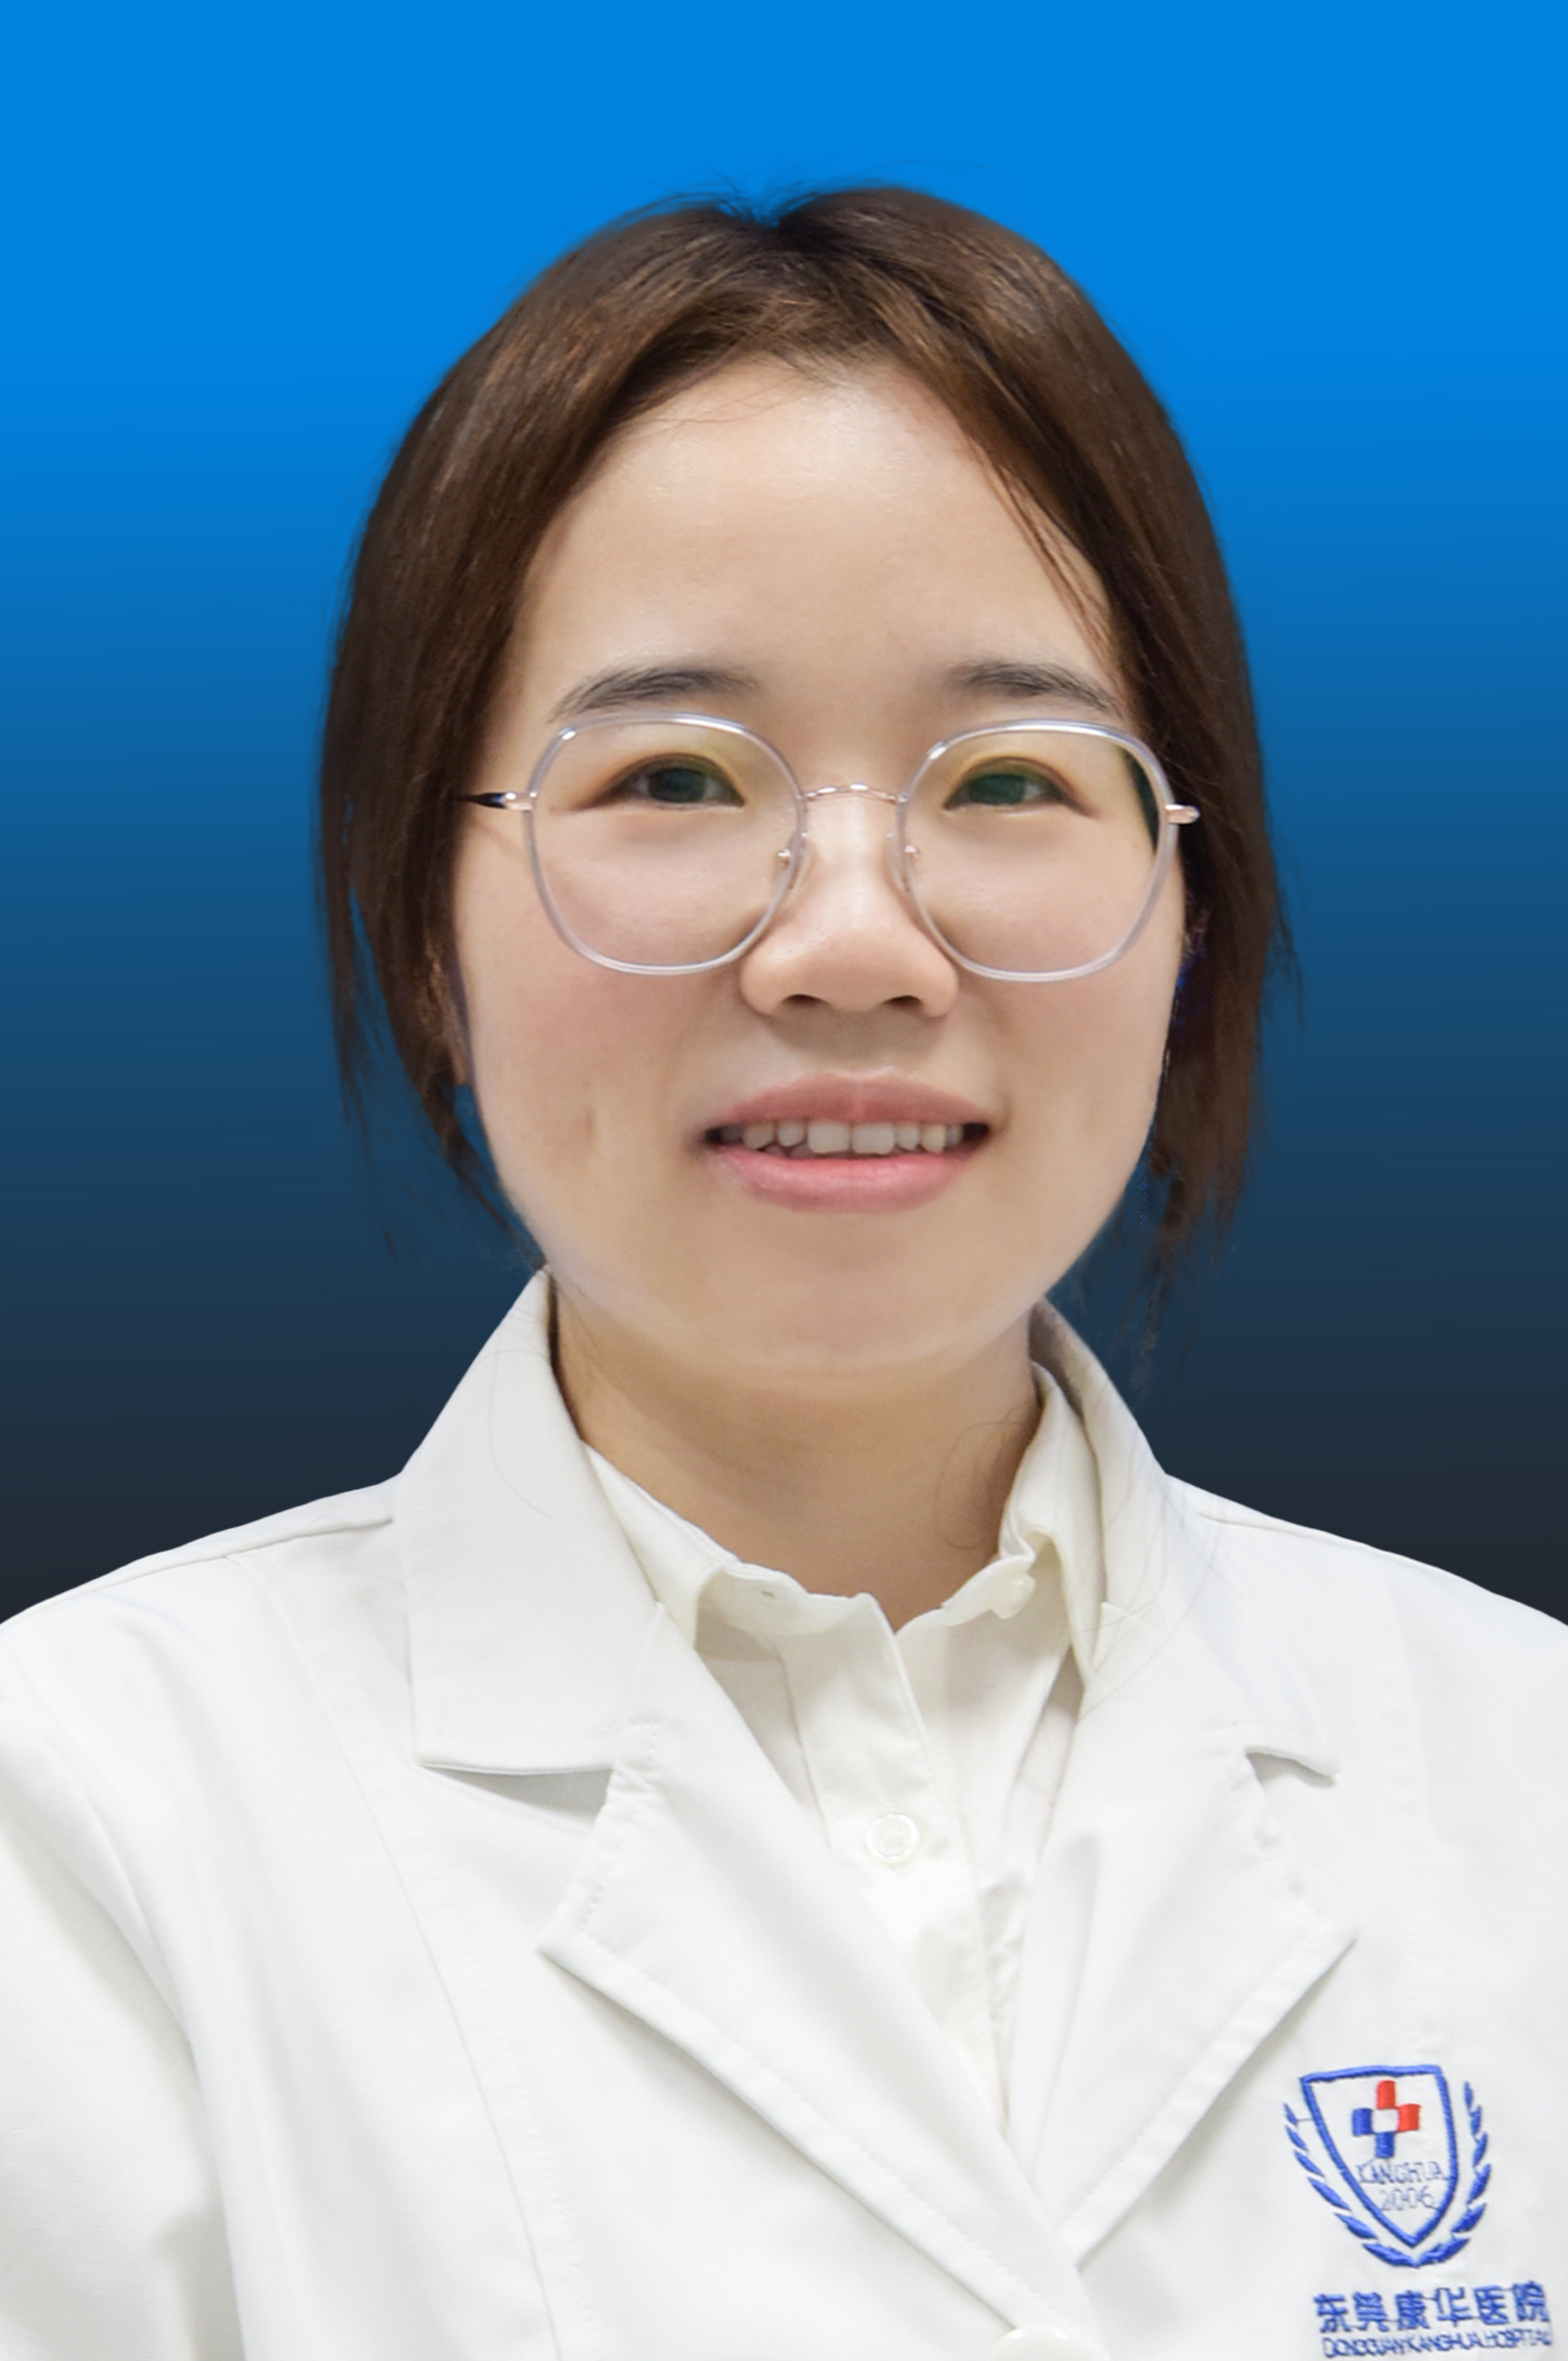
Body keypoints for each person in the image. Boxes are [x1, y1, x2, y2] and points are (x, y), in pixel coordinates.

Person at [0, 188, 1562, 2361]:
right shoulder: (83, 1819)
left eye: (1007, 776)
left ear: (1187, 917)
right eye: (671, 775)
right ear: (424, 931)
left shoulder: (1520, 1770)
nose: (849, 944)